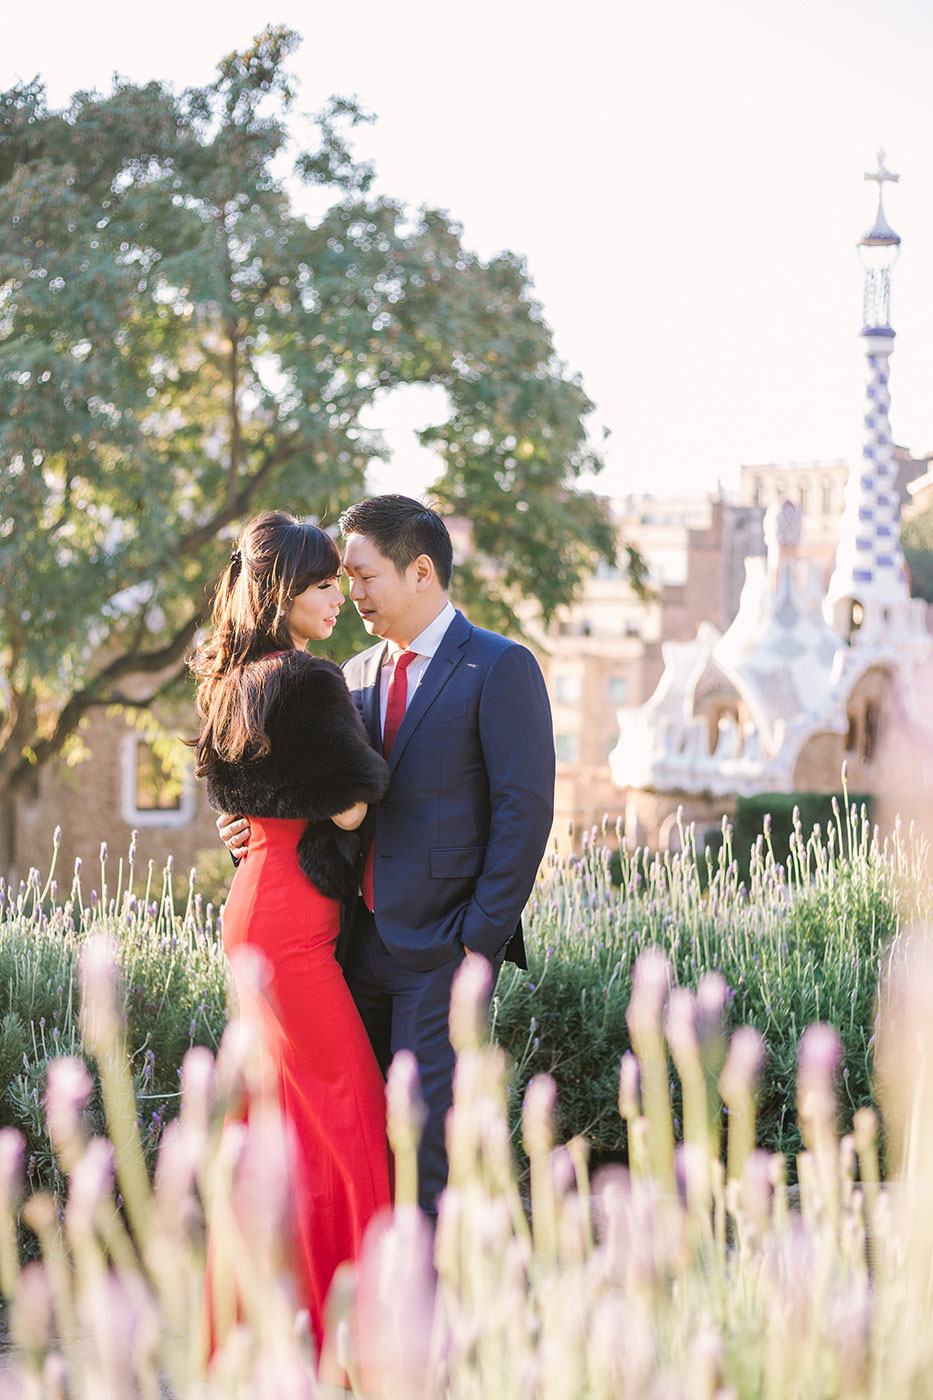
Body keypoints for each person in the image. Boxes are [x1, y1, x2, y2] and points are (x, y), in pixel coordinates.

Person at [221, 494, 555, 1215]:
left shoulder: (500, 667)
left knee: (426, 1146)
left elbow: (523, 815)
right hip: (348, 947)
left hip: (442, 952)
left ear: (422, 572)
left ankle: (433, 1314)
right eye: (343, 578)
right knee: (362, 1134)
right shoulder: (353, 673)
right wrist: (249, 827)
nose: (352, 592)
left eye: (365, 576)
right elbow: (311, 792)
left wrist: (478, 942)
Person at [191, 509, 392, 1353]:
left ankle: (271, 1326)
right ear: (283, 594)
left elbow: (235, 800)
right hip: (290, 924)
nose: (338, 599)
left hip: (253, 903)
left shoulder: (227, 680)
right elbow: (350, 799)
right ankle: (365, 1326)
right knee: (351, 1111)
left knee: (273, 1123)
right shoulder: (308, 679)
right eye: (321, 586)